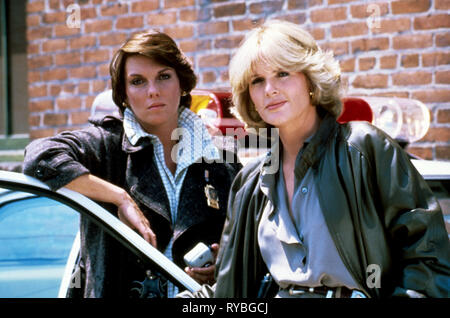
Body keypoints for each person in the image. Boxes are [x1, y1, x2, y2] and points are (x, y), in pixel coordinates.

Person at [213, 20, 450, 298]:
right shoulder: (250, 182)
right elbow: (226, 293)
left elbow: (429, 258)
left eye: (282, 73)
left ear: (311, 80)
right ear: (249, 96)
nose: (270, 89)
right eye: (257, 80)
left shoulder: (364, 147)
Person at [23, 30, 241, 298]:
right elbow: (39, 157)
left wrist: (221, 266)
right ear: (123, 93)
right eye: (138, 81)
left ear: (182, 84)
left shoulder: (219, 156)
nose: (153, 91)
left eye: (164, 77)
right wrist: (119, 197)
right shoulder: (106, 146)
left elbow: (243, 248)